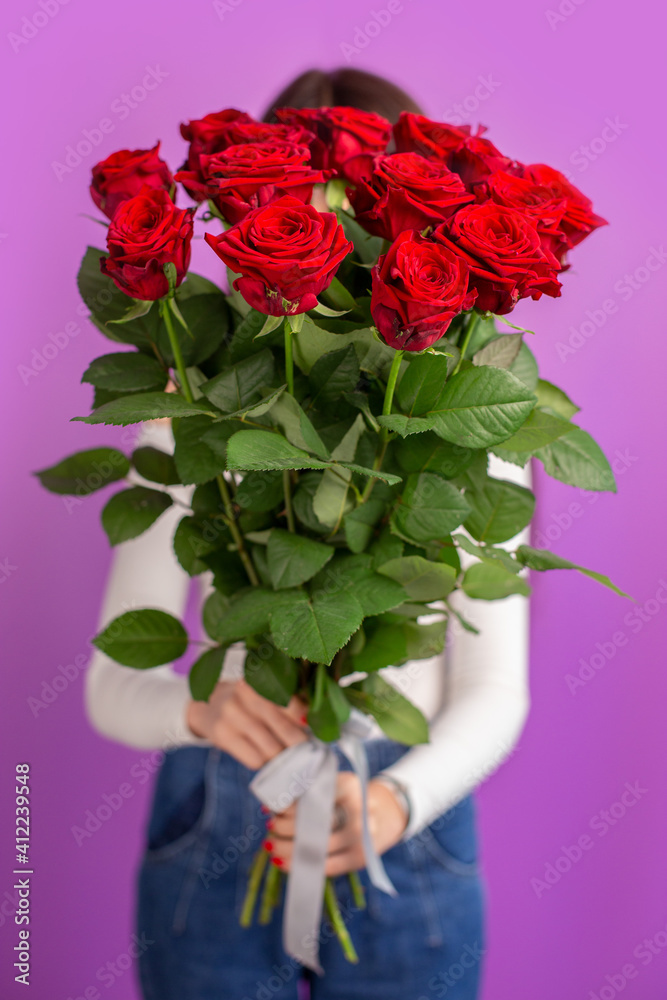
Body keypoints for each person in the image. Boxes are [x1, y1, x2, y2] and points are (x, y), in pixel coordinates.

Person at [84, 68, 531, 1000]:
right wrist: (198, 713)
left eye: (368, 205)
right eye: (305, 204)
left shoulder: (463, 417)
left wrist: (394, 800)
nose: (345, 233)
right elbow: (110, 684)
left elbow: (494, 691)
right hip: (221, 802)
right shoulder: (194, 409)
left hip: (406, 812)